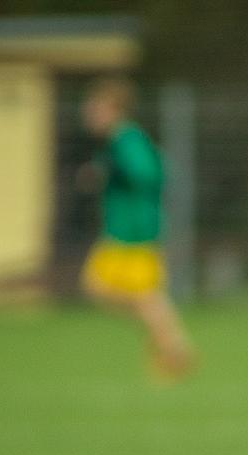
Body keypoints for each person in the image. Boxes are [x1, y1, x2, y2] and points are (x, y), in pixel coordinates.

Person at [79, 77, 194, 379]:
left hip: (134, 232)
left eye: (95, 108)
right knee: (110, 291)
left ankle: (173, 348)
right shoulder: (118, 142)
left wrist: (112, 172)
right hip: (123, 230)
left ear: (113, 109)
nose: (89, 113)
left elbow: (150, 172)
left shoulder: (125, 139)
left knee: (138, 295)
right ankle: (168, 343)